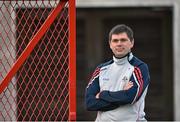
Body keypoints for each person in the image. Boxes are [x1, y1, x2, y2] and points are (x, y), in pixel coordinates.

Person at [85, 24, 150, 121]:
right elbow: (90, 103)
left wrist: (103, 95)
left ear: (131, 43)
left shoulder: (139, 68)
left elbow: (130, 97)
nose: (119, 44)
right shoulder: (101, 69)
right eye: (115, 40)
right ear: (110, 44)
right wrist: (121, 95)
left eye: (123, 40)